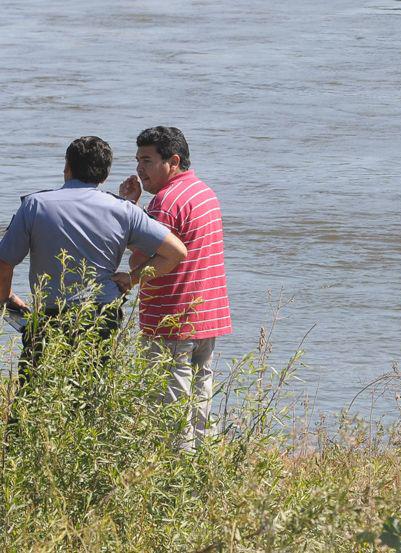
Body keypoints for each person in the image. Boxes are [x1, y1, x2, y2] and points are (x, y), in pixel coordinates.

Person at [0, 136, 187, 385]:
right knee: (89, 396)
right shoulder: (124, 210)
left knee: (36, 394)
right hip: (100, 318)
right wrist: (132, 279)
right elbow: (176, 253)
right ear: (105, 175)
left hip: (50, 318)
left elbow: (4, 262)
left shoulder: (35, 206)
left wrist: (7, 299)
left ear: (67, 167)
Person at [118, 126, 232, 450]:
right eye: (138, 160)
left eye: (148, 160)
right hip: (206, 314)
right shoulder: (203, 192)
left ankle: (174, 474)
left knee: (170, 403)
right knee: (200, 397)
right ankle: (201, 468)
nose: (140, 169)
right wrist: (136, 208)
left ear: (173, 161)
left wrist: (132, 277)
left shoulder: (165, 203)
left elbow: (144, 256)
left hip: (171, 317)